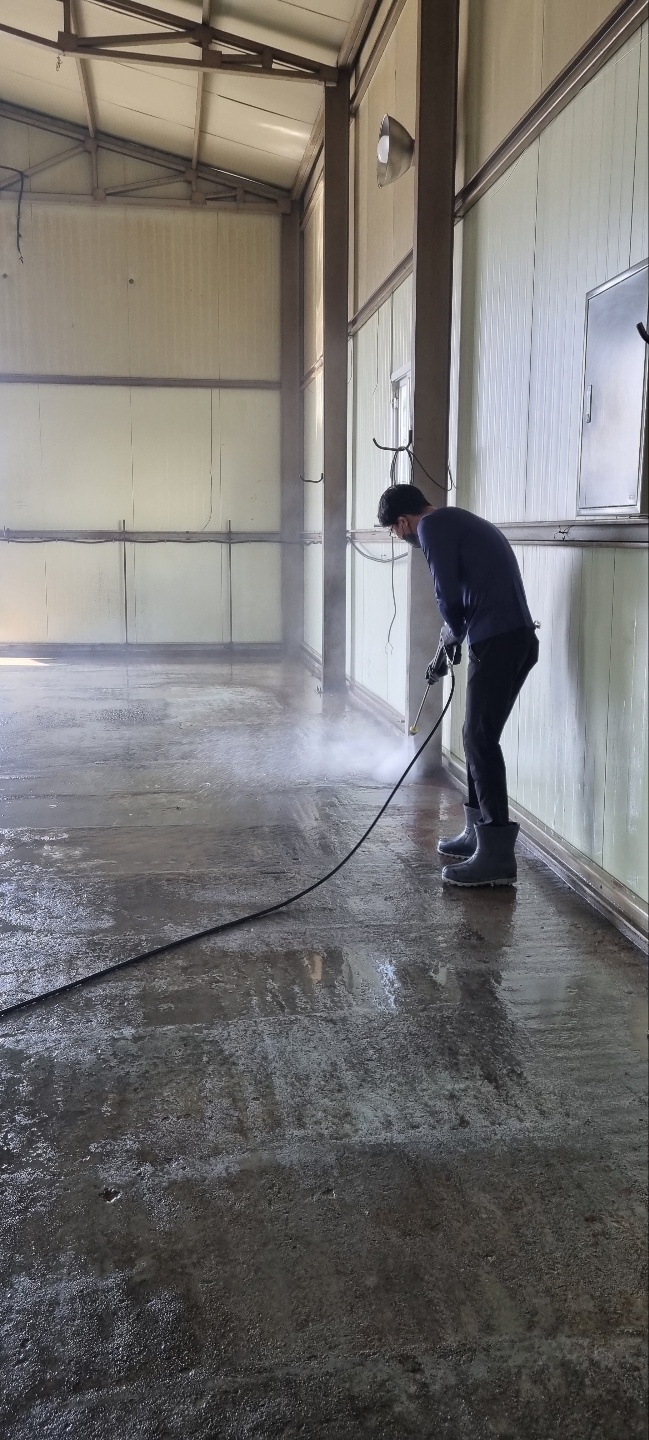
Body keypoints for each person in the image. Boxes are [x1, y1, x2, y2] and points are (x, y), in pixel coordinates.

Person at [376, 484, 539, 887]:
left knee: (479, 739)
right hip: (513, 638)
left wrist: (451, 632)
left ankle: (497, 855)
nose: (399, 536)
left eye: (394, 530)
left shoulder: (431, 528)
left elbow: (446, 595)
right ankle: (477, 833)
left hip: (498, 640)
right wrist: (451, 637)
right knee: (477, 736)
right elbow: (466, 596)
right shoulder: (456, 520)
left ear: (403, 522)